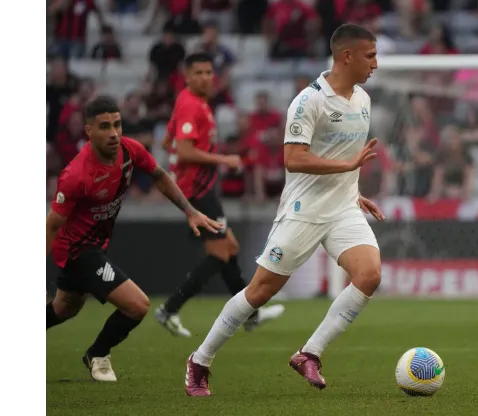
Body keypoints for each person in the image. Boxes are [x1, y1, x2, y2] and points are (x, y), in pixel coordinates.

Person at [184, 23, 385, 396]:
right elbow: (294, 159)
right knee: (260, 291)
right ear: (347, 56)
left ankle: (309, 353)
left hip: (342, 208)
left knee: (369, 274)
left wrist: (353, 192)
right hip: (302, 210)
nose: (376, 64)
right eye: (370, 55)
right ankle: (200, 360)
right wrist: (346, 168)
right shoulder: (309, 101)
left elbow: (346, 157)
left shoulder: (363, 100)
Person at [46, 96, 223, 382]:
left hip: (94, 245)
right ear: (89, 131)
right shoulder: (76, 175)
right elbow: (51, 225)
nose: (114, 133)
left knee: (65, 308)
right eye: (104, 126)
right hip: (78, 251)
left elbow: (159, 175)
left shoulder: (130, 150)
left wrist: (190, 212)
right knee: (138, 305)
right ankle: (98, 354)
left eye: (117, 124)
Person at [156, 53, 284, 337]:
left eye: (208, 72)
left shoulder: (190, 101)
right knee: (220, 253)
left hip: (199, 189)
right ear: (187, 76)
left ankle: (250, 314)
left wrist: (178, 160)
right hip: (196, 192)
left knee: (230, 249)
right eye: (198, 72)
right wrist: (224, 160)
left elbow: (168, 142)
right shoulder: (192, 105)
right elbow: (186, 150)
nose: (205, 77)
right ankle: (170, 309)